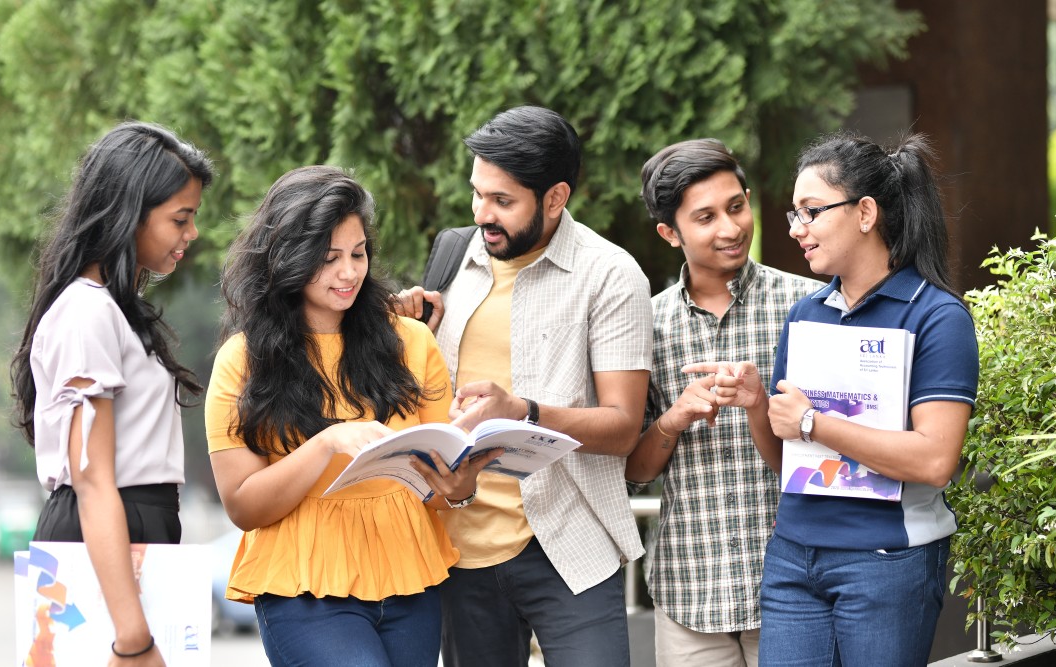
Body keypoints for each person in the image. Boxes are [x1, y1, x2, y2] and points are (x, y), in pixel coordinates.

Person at [701, 132, 980, 665]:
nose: (797, 230)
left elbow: (936, 460)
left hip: (887, 561)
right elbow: (789, 458)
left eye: (811, 211)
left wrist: (815, 423)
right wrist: (759, 402)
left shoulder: (937, 317)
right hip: (792, 558)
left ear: (866, 212)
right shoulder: (807, 313)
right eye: (793, 215)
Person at [205, 165, 498, 667]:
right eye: (328, 257)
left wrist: (459, 489)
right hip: (304, 587)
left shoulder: (411, 342)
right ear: (287, 258)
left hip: (410, 579)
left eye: (358, 254)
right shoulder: (243, 359)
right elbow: (242, 505)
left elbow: (438, 478)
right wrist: (326, 443)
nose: (349, 273)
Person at [393, 105, 653, 667]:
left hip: (567, 542)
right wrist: (408, 335)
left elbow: (623, 427)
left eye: (503, 201)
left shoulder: (610, 274)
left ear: (556, 198)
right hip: (458, 544)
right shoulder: (451, 257)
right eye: (477, 194)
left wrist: (523, 411)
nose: (483, 214)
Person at [11, 120, 214, 665]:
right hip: (102, 531)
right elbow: (93, 477)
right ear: (130, 211)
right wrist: (133, 639)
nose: (191, 234)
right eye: (180, 218)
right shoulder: (88, 312)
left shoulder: (111, 310)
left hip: (128, 531)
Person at [625, 139, 822, 667]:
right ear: (670, 233)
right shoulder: (645, 324)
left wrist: (760, 406)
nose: (730, 228)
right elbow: (634, 472)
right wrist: (673, 418)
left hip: (794, 584)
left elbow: (826, 456)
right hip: (690, 588)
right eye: (706, 217)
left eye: (737, 207)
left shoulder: (808, 307)